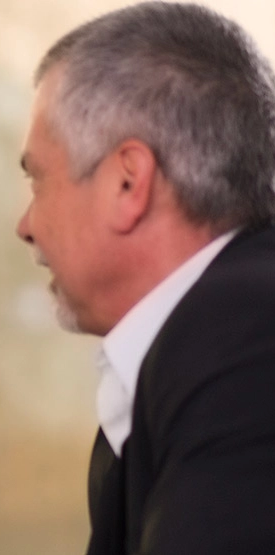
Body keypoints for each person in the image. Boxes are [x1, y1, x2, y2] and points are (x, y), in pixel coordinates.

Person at [16, 3, 275, 554]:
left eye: (38, 181)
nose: (25, 226)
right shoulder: (201, 348)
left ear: (128, 183)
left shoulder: (245, 348)